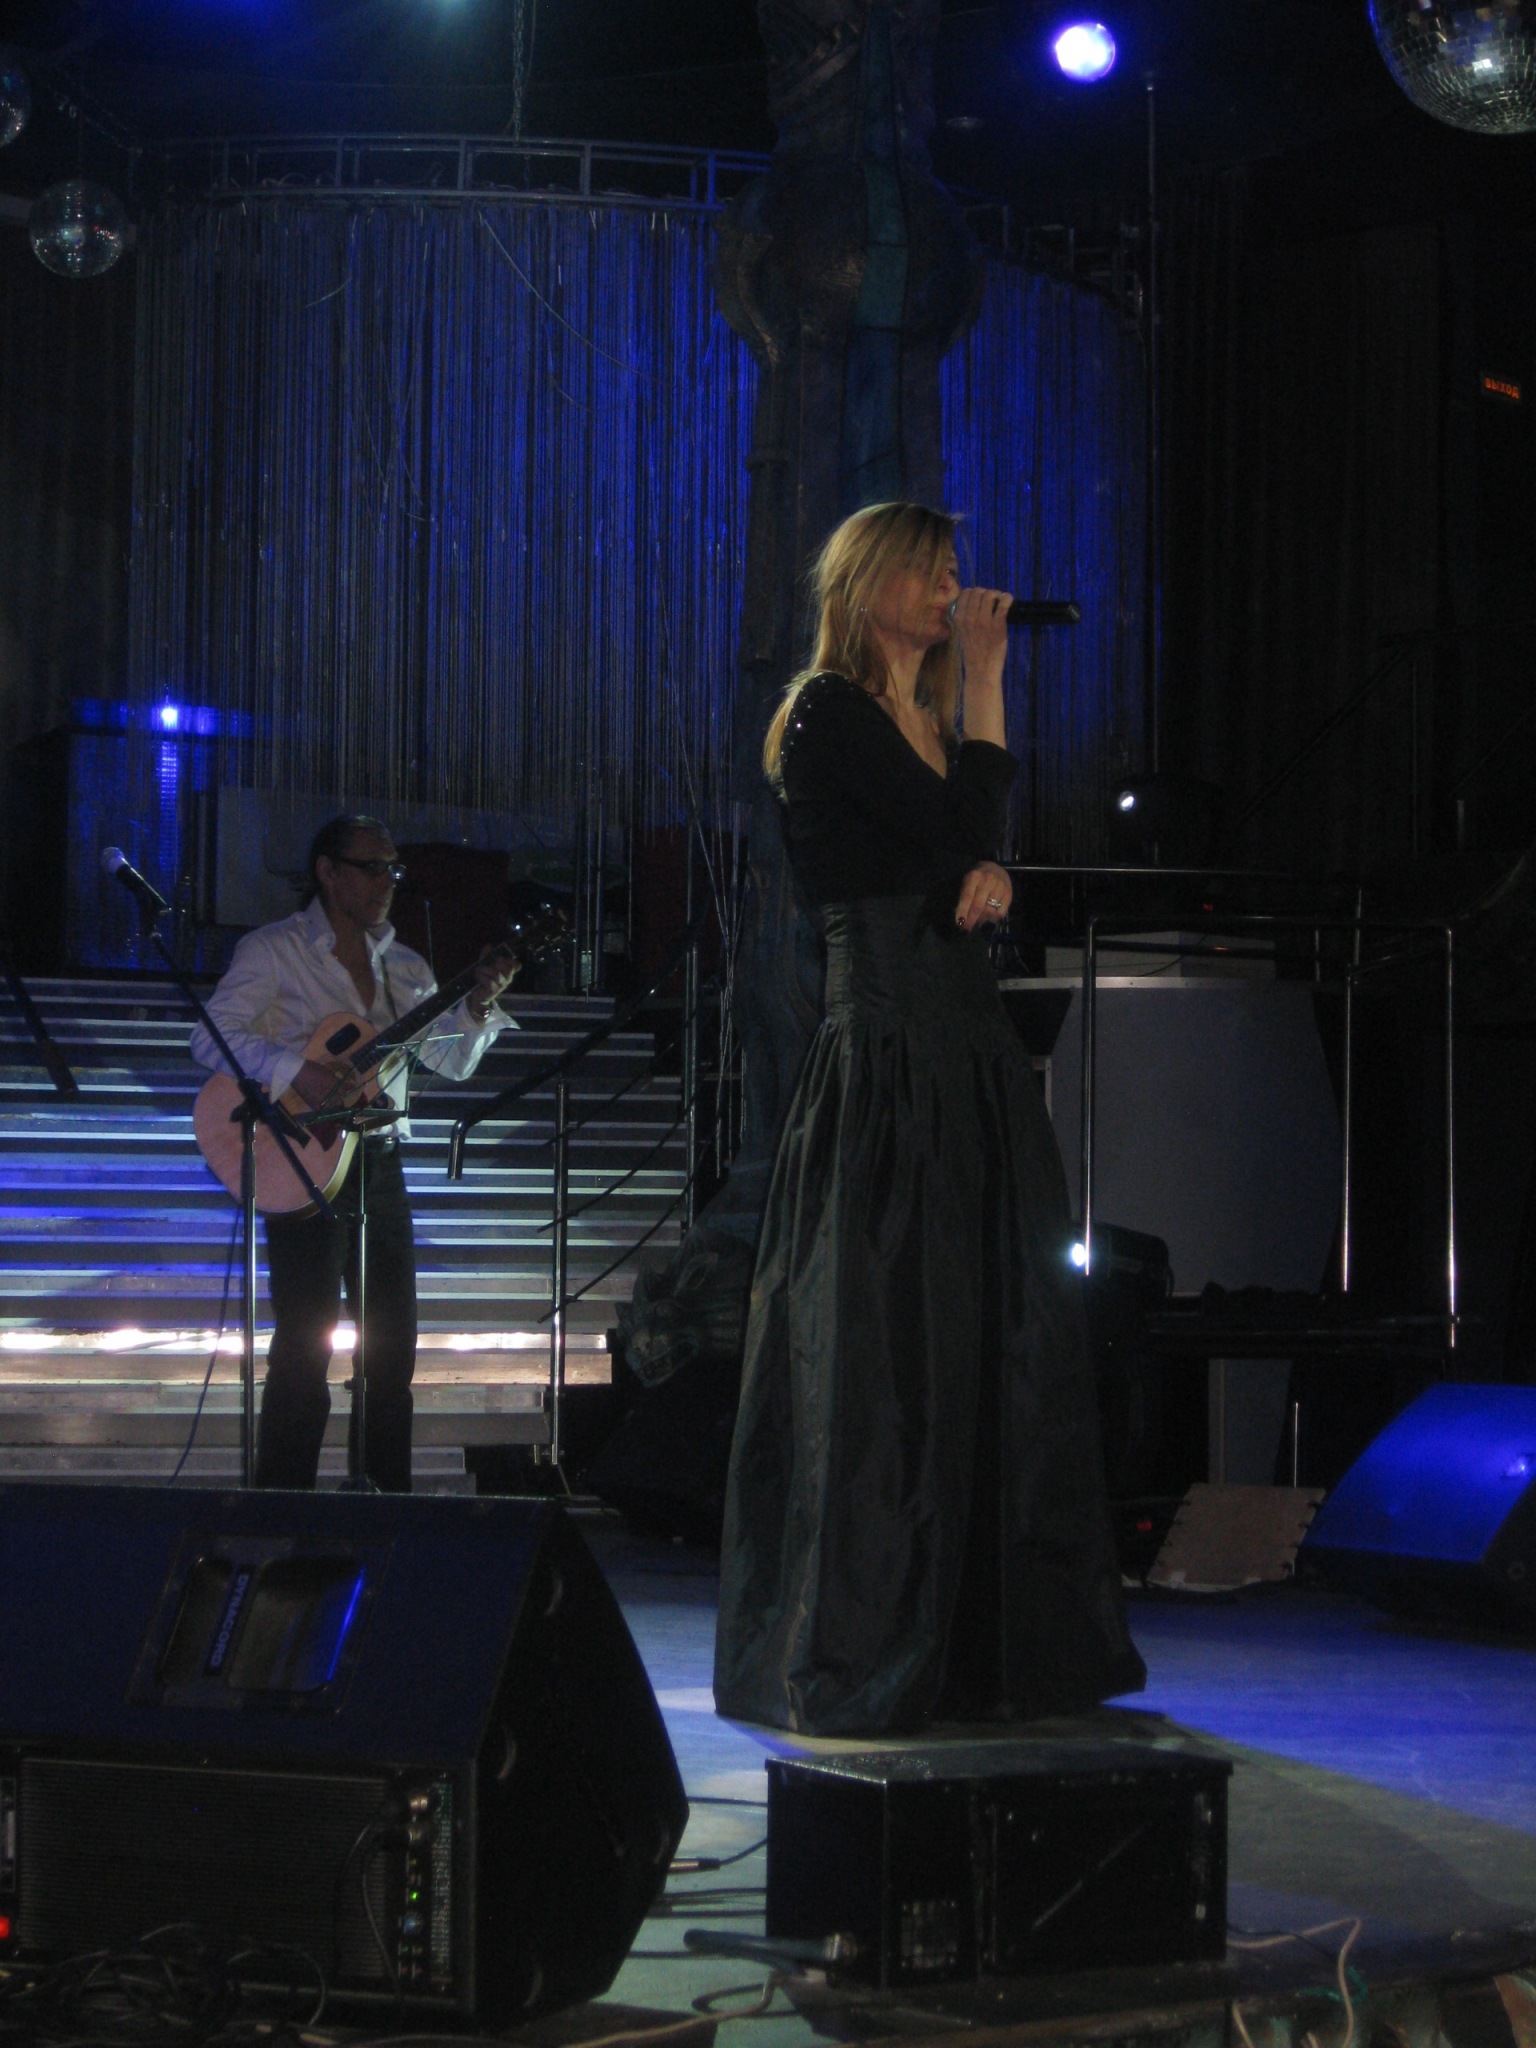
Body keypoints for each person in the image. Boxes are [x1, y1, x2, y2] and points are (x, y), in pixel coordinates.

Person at [713, 501, 1146, 1734]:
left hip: (968, 1056)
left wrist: (985, 870)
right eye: (932, 570)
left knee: (998, 1337)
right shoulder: (827, 713)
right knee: (889, 1351)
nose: (954, 586)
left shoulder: (925, 725)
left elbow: (958, 847)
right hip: (890, 1062)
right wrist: (993, 690)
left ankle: (988, 1642)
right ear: (871, 584)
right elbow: (951, 830)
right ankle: (865, 1634)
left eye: (956, 569)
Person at [190, 814, 520, 1491]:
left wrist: (478, 1008)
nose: (386, 882)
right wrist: (298, 1071)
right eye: (371, 867)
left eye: (393, 869)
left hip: (379, 1161)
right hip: (300, 1159)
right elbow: (211, 1036)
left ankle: (384, 1503)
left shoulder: (406, 967)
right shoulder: (275, 949)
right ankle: (284, 1503)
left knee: (392, 1347)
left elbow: (450, 1063)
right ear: (328, 872)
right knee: (304, 1345)